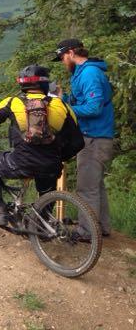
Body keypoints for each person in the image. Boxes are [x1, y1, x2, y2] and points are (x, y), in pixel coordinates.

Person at [0, 65, 84, 226]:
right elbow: (78, 142)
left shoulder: (13, 102)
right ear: (45, 84)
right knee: (46, 189)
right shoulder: (62, 106)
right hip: (51, 165)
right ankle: (43, 224)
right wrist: (58, 157)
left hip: (21, 162)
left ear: (23, 85)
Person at [53, 38, 115, 237]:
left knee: (86, 188)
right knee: (95, 185)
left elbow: (93, 108)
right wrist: (63, 98)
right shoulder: (83, 73)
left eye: (62, 57)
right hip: (98, 136)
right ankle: (102, 227)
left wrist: (65, 109)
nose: (63, 62)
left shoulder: (89, 73)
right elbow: (83, 100)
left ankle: (86, 232)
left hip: (95, 138)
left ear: (71, 53)